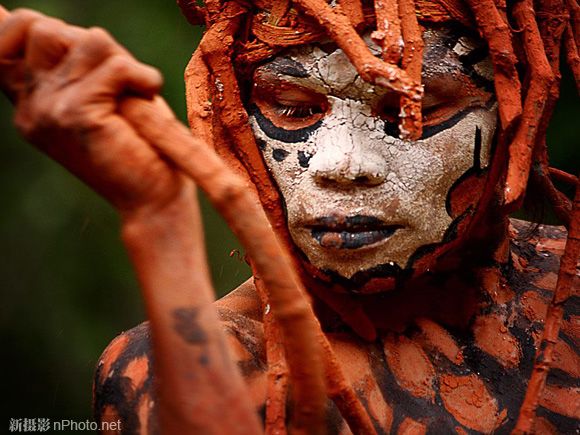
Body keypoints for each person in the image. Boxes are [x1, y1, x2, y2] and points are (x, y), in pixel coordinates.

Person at [0, 0, 578, 433]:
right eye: (294, 110)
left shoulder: (570, 289)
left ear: (514, 108)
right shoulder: (193, 368)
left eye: (414, 111)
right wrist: (156, 214)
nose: (343, 164)